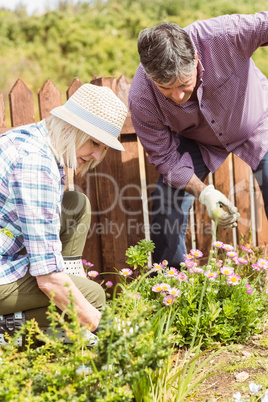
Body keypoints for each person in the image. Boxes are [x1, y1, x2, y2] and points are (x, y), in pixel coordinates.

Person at [129, 12, 268, 268]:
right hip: (197, 138)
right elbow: (165, 158)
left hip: (258, 120)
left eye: (184, 84)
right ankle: (173, 286)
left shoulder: (224, 35)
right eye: (166, 89)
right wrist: (204, 193)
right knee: (165, 200)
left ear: (195, 58)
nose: (178, 96)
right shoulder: (141, 97)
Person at [0, 83, 128, 345]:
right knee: (92, 297)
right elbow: (48, 280)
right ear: (71, 126)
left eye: (104, 147)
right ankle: (10, 332)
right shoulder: (35, 165)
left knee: (75, 203)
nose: (97, 155)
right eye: (94, 142)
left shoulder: (32, 138)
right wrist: (102, 326)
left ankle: (63, 313)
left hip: (7, 251)